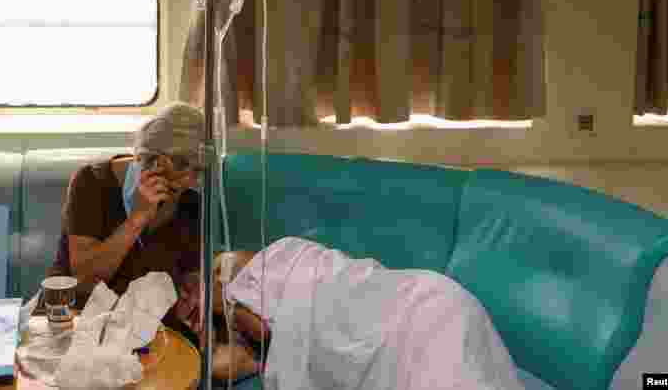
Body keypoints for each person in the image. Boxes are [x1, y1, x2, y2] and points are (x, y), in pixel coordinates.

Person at [174, 237, 526, 390]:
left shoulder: (254, 263)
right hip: (413, 318)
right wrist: (205, 343)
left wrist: (220, 301)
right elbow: (237, 364)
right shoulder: (242, 338)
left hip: (416, 307)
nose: (192, 302)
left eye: (189, 291)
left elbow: (262, 327)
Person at [48, 102, 205, 334]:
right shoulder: (92, 183)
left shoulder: (191, 203)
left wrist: (194, 295)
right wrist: (137, 218)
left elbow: (188, 280)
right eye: (182, 167)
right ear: (150, 158)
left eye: (198, 172)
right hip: (77, 320)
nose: (188, 182)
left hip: (147, 330)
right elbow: (84, 282)